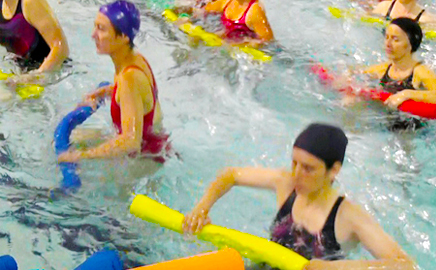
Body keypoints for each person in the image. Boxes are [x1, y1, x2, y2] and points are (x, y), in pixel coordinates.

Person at [183, 123, 416, 269]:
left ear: (333, 170)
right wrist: (201, 209)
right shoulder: (285, 184)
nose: (296, 174)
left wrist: (339, 268)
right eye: (294, 163)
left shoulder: (348, 216)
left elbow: (404, 265)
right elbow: (231, 175)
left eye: (308, 168)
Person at [57, 0, 171, 167]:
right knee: (74, 138)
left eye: (101, 29)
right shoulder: (134, 59)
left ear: (124, 36)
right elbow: (138, 98)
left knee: (70, 154)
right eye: (95, 26)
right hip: (154, 146)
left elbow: (130, 141)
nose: (93, 34)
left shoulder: (129, 78)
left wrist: (82, 156)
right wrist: (104, 91)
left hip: (143, 160)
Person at [364, 17, 436, 129]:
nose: (388, 43)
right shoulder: (383, 69)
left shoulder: (420, 72)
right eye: (386, 37)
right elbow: (354, 73)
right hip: (383, 125)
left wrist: (407, 94)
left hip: (414, 134)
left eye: (395, 39)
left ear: (410, 44)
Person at [0, 0, 69, 72]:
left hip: (54, 73)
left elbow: (61, 48)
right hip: (22, 72)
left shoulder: (30, 2)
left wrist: (35, 77)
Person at [183, 0, 274, 44]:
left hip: (243, 50)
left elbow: (268, 41)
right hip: (227, 39)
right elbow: (204, 10)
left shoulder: (255, 11)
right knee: (194, 37)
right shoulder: (228, 1)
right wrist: (189, 17)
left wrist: (250, 42)